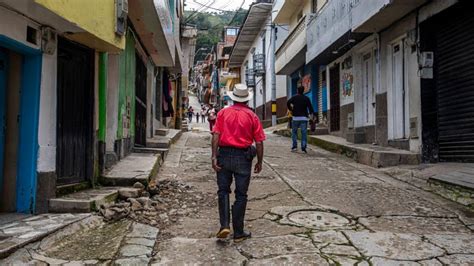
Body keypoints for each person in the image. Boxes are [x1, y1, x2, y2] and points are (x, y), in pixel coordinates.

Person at [211, 83, 265, 243]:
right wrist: (259, 162)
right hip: (243, 158)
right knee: (241, 194)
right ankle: (239, 232)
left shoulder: (222, 113)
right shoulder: (252, 116)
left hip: (224, 155)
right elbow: (260, 142)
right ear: (247, 100)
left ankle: (224, 226)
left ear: (233, 98)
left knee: (223, 191)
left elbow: (216, 135)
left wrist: (214, 156)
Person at [287, 86, 315, 153]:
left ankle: (294, 147)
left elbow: (288, 102)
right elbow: (310, 108)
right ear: (303, 91)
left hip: (295, 118)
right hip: (304, 118)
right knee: (304, 133)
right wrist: (312, 117)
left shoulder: (294, 97)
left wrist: (291, 109)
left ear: (297, 91)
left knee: (294, 132)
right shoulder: (306, 98)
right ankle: (303, 147)